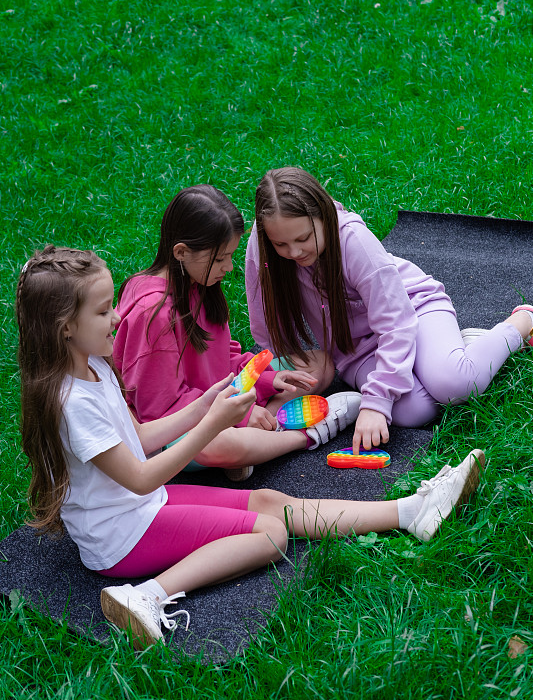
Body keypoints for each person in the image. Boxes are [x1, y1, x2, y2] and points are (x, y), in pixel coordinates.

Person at [17, 245, 486, 650]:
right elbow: (141, 474)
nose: (117, 316)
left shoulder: (93, 367)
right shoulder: (72, 402)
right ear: (64, 328)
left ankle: (411, 512)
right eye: (102, 311)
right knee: (270, 535)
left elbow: (138, 437)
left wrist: (202, 405)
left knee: (270, 503)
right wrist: (212, 425)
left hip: (139, 507)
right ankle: (146, 596)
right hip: (120, 537)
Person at [245, 167, 533, 452]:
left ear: (324, 216)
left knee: (456, 384)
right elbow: (265, 326)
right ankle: (457, 351)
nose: (294, 252)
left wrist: (376, 402)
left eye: (303, 238)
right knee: (413, 412)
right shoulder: (262, 246)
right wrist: (268, 383)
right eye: (280, 243)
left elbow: (396, 322)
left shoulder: (352, 240)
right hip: (356, 345)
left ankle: (520, 322)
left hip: (413, 311)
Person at [113, 185, 362, 482]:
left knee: (318, 365)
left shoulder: (199, 284)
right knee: (218, 445)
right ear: (181, 252)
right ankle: (303, 436)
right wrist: (240, 415)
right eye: (220, 259)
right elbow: (160, 409)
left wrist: (268, 379)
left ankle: (262, 431)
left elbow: (225, 357)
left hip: (219, 395)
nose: (229, 267)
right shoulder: (154, 314)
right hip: (176, 427)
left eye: (230, 256)